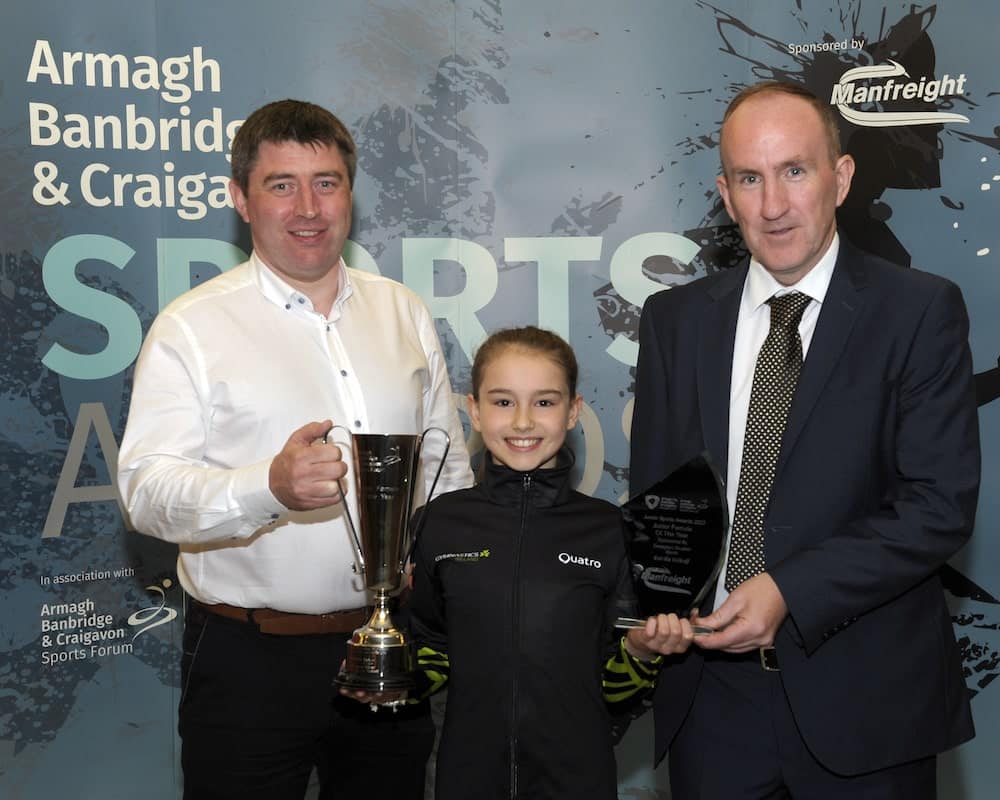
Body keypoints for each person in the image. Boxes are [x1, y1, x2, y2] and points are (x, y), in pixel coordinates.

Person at [627, 81, 980, 798]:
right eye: (750, 179)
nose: (774, 205)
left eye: (795, 170)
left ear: (841, 177)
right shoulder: (675, 321)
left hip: (867, 705)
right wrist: (648, 612)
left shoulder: (919, 312)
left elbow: (937, 506)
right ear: (725, 194)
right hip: (712, 709)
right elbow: (661, 505)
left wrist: (789, 589)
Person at [117, 98, 474, 800]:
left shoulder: (403, 312)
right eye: (281, 185)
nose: (308, 207)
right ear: (240, 200)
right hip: (247, 662)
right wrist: (266, 488)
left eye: (327, 181)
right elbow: (145, 493)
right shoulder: (191, 327)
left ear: (350, 191)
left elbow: (444, 473)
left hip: (389, 650)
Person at [402, 326, 694, 800]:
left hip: (577, 779)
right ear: (473, 411)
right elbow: (433, 652)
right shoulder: (437, 523)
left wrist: (641, 654)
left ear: (573, 411)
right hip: (466, 776)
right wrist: (387, 676)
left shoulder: (612, 530)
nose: (522, 422)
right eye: (502, 402)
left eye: (544, 402)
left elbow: (616, 693)